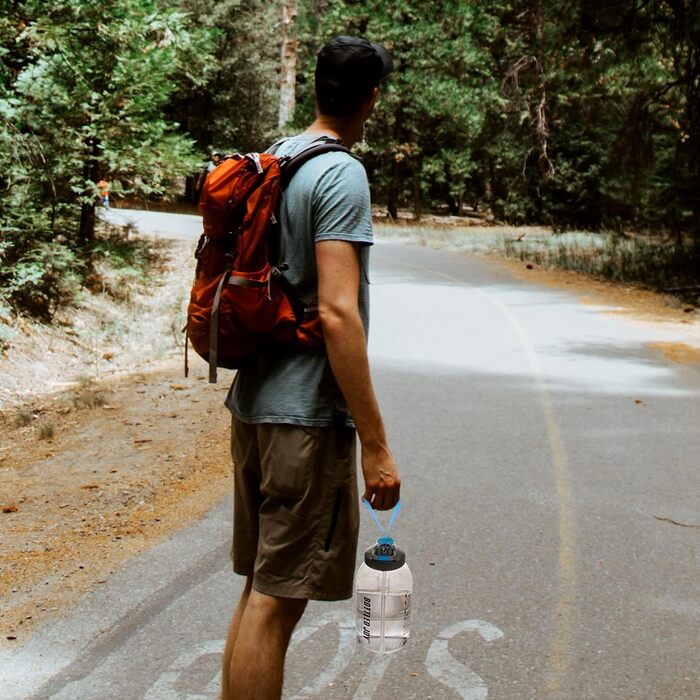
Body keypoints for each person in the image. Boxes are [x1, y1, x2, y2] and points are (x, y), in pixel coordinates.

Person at [220, 36, 401, 700]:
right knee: (276, 602)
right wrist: (375, 446)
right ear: (371, 98)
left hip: (255, 403)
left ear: (318, 87)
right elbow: (337, 312)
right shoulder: (342, 173)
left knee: (259, 592)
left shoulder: (283, 155)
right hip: (303, 419)